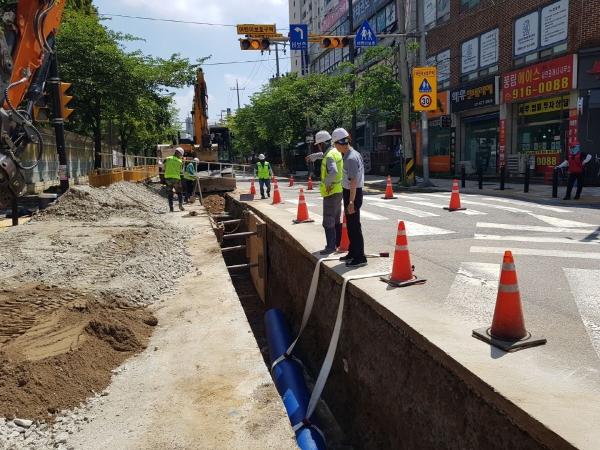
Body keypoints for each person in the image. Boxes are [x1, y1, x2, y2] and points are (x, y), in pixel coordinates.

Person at [332, 128, 367, 268]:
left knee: (354, 226)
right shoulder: (350, 154)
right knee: (351, 225)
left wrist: (351, 201)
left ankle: (360, 257)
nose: (334, 146)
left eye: (335, 144)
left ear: (340, 143)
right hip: (351, 192)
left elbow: (353, 181)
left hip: (353, 193)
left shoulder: (351, 158)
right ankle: (352, 252)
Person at [305, 130, 343, 255]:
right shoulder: (335, 151)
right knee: (336, 219)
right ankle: (337, 243)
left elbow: (333, 171)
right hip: (338, 190)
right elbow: (324, 155)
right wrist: (314, 156)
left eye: (319, 144)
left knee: (328, 220)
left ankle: (330, 246)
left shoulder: (330, 156)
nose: (319, 146)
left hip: (331, 192)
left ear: (321, 144)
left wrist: (326, 184)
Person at [163, 147, 185, 212]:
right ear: (179, 154)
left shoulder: (167, 159)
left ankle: (171, 208)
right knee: (179, 193)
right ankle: (180, 206)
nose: (181, 156)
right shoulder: (180, 161)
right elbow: (181, 171)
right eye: (181, 155)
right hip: (176, 178)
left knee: (170, 193)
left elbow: (163, 166)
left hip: (168, 178)